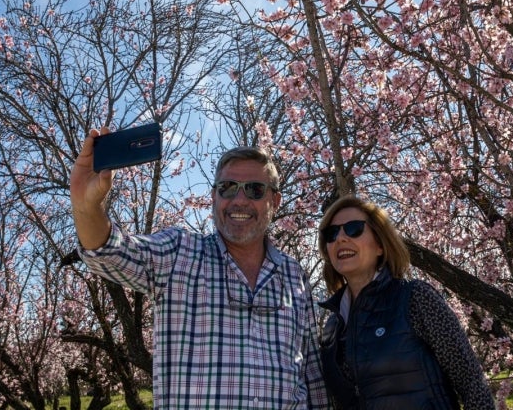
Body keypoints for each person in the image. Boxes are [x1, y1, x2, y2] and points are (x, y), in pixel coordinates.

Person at [70, 127, 329, 409]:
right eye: (228, 188)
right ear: (214, 197)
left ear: (274, 201)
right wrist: (86, 207)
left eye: (255, 190)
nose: (240, 200)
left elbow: (313, 378)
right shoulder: (179, 254)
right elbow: (109, 251)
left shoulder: (294, 276)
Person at [317, 194, 496, 409]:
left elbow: (472, 384)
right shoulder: (333, 328)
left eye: (354, 228)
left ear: (380, 245)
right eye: (331, 233)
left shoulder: (416, 299)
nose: (341, 238)